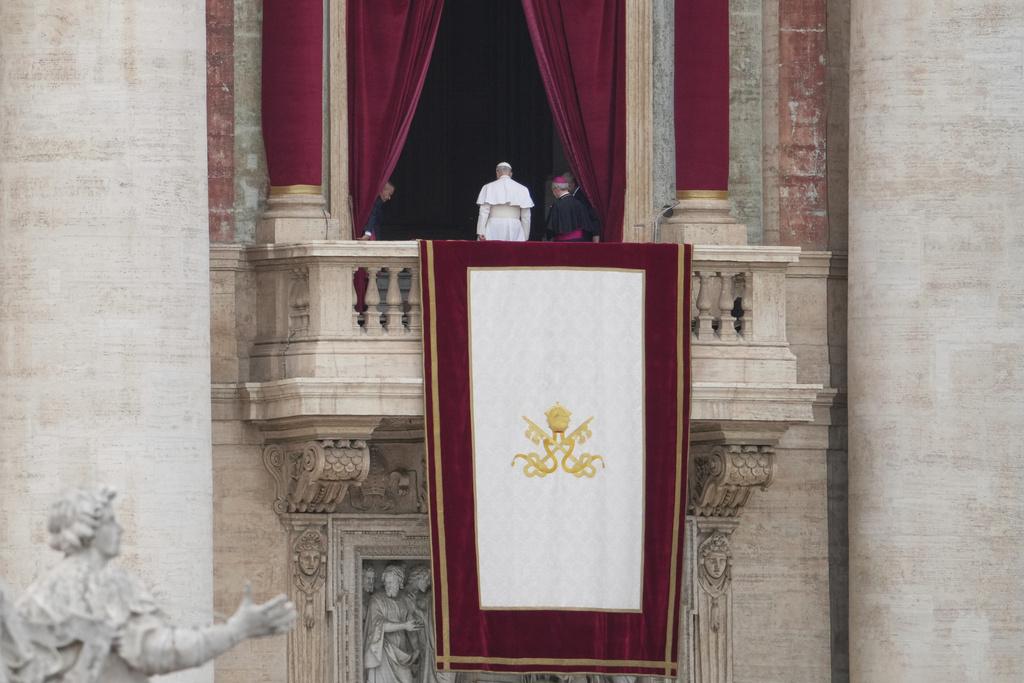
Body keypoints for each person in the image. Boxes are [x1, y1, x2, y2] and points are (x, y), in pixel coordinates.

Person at [8, 486, 295, 683]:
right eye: (110, 522)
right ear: (88, 530)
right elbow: (157, 652)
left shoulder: (39, 594)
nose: (119, 529)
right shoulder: (108, 586)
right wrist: (237, 629)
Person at [364, 565, 421, 683]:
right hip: (383, 651)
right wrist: (404, 625)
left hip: (402, 653)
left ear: (400, 582)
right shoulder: (376, 600)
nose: (388, 586)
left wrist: (416, 650)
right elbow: (379, 625)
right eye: (386, 583)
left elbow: (411, 627)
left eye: (391, 582)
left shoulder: (405, 601)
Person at [475, 162, 534, 241]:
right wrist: (525, 236)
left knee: (492, 252)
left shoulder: (488, 187)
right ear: (510, 174)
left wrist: (481, 231)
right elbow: (526, 216)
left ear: (497, 172)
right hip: (514, 227)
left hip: (493, 227)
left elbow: (483, 212)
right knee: (513, 252)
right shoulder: (523, 189)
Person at [544, 177, 594, 242]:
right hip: (578, 242)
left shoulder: (557, 205)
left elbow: (550, 228)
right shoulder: (579, 203)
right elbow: (586, 226)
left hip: (561, 243)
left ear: (556, 189)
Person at [562, 171, 601, 241]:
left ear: (573, 184)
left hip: (582, 238)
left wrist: (596, 234)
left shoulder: (582, 197)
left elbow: (592, 216)